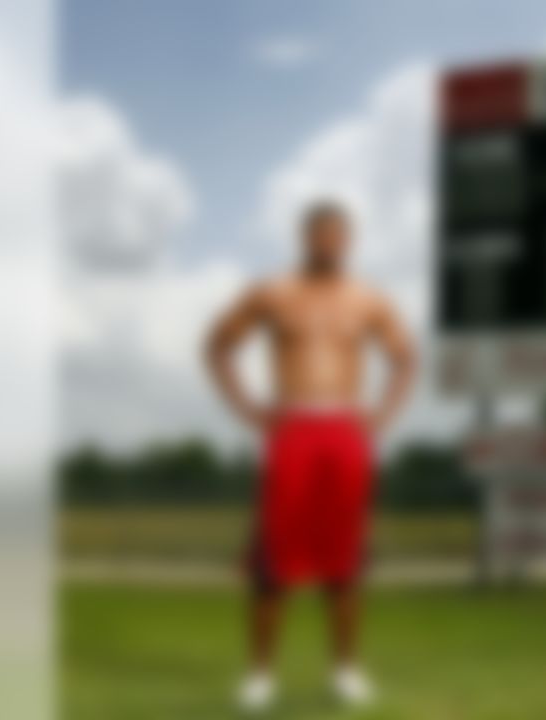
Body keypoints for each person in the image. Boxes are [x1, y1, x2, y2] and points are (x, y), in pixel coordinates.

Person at [204, 200, 416, 713]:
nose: (329, 243)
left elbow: (405, 359)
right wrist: (249, 409)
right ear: (305, 238)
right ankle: (260, 676)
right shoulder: (273, 293)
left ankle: (346, 670)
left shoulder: (369, 300)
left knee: (345, 561)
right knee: (272, 565)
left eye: (338, 235)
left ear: (350, 240)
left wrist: (381, 416)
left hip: (344, 429)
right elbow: (217, 345)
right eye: (320, 234)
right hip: (292, 427)